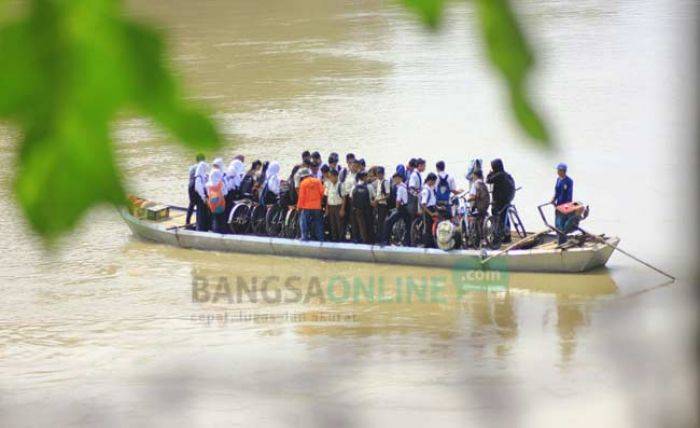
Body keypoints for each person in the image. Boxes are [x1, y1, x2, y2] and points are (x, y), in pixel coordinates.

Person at [486, 158, 515, 243]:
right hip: (506, 200)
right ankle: (507, 236)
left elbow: (488, 180)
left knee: (498, 218)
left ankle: (499, 236)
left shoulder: (499, 175)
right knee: (505, 217)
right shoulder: (506, 174)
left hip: (499, 201)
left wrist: (490, 173)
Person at [382, 173, 411, 246]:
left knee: (388, 222)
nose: (394, 180)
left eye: (395, 178)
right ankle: (407, 242)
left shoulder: (400, 188)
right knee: (407, 225)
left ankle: (386, 241)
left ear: (400, 179)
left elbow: (398, 200)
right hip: (405, 207)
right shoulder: (404, 186)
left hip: (401, 208)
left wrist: (396, 209)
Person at [297, 168, 325, 241]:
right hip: (317, 206)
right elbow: (322, 193)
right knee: (318, 223)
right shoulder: (318, 181)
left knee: (303, 222)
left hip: (306, 207)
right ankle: (320, 238)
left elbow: (301, 197)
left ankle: (304, 237)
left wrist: (299, 207)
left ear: (302, 176)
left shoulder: (303, 183)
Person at [351, 171, 375, 244]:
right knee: (369, 224)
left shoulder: (354, 186)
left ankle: (363, 240)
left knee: (361, 226)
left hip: (358, 209)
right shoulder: (369, 186)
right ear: (364, 177)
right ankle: (369, 240)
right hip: (368, 209)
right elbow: (373, 197)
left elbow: (351, 197)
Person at [551, 162, 574, 233]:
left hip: (565, 205)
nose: (558, 172)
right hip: (558, 204)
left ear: (563, 171)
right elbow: (557, 191)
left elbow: (569, 195)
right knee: (557, 223)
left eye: (559, 170)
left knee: (562, 223)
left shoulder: (569, 181)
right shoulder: (558, 180)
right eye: (558, 170)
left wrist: (567, 206)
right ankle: (558, 236)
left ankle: (562, 239)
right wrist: (553, 198)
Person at [324, 169, 344, 242]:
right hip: (331, 206)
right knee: (332, 223)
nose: (330, 178)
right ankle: (334, 238)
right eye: (329, 177)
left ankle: (341, 238)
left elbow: (344, 198)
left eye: (331, 176)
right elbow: (327, 197)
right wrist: (327, 209)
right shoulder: (329, 185)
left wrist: (342, 209)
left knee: (339, 224)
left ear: (336, 176)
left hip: (338, 206)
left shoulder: (340, 185)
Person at [186, 153, 205, 225]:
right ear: (203, 160)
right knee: (199, 204)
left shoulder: (191, 167)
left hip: (190, 185)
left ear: (196, 160)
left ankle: (187, 221)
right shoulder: (202, 167)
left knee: (192, 203)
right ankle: (198, 222)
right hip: (197, 184)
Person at [373, 166, 391, 242]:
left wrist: (378, 200)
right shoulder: (378, 181)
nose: (379, 175)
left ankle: (382, 238)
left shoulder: (385, 182)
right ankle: (379, 237)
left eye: (380, 174)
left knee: (381, 222)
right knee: (378, 221)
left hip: (383, 204)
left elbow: (388, 195)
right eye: (378, 174)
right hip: (378, 204)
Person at [420, 173, 438, 247]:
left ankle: (431, 244)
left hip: (432, 208)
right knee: (428, 228)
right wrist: (431, 213)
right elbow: (423, 204)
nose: (434, 183)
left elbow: (432, 201)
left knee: (431, 228)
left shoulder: (430, 189)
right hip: (428, 210)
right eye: (434, 181)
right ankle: (427, 244)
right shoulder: (426, 190)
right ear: (430, 180)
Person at [193, 161, 211, 232]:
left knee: (205, 213)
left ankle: (205, 228)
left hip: (204, 198)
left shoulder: (203, 176)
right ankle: (200, 229)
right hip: (201, 198)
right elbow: (199, 189)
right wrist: (204, 198)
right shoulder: (198, 177)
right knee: (201, 214)